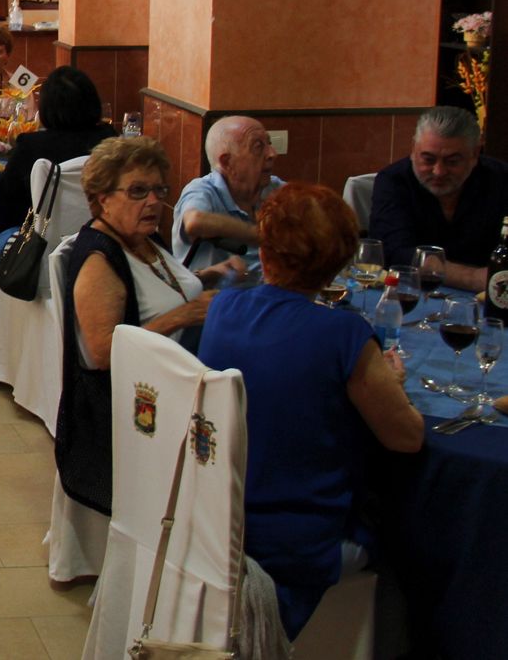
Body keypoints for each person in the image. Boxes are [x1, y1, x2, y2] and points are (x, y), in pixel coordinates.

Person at [198, 183, 424, 639]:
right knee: (414, 534)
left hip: (213, 525)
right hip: (294, 548)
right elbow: (407, 437)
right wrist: (393, 384)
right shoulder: (344, 335)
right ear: (340, 260)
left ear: (266, 250)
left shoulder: (224, 306)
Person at [57, 137, 244, 514]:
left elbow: (154, 290)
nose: (154, 202)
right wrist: (185, 315)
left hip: (176, 383)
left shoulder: (142, 237)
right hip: (134, 413)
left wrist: (208, 275)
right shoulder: (99, 260)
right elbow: (104, 353)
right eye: (138, 191)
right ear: (102, 199)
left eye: (159, 190)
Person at [370, 105, 508, 291]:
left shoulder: (501, 180)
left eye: (452, 162)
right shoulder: (393, 181)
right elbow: (392, 253)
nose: (439, 172)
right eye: (428, 159)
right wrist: (472, 278)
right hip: (411, 292)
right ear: (413, 149)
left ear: (475, 154)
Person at [0, 66, 117, 228]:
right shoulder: (109, 139)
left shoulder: (32, 146)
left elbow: (4, 193)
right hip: (103, 232)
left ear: (46, 107)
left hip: (45, 238)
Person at [171, 115, 283, 272]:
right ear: (226, 162)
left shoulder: (275, 188)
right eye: (258, 147)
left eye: (269, 144)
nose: (272, 154)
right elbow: (194, 222)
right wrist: (259, 236)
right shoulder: (203, 190)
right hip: (216, 287)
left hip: (274, 286)